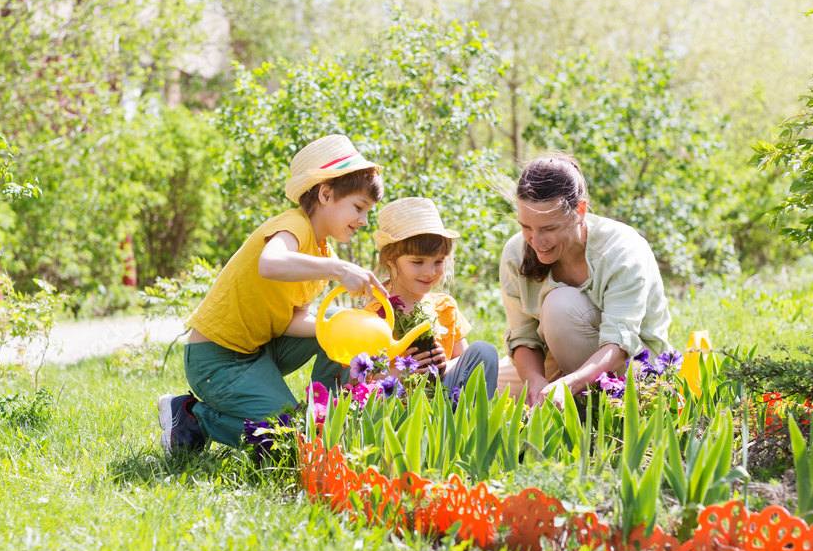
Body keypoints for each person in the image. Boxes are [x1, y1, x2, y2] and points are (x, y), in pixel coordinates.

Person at [157, 134, 387, 454]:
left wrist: (348, 327)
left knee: (339, 323)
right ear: (325, 194)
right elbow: (271, 263)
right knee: (290, 438)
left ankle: (323, 415)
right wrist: (338, 269)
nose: (363, 220)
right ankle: (194, 416)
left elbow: (293, 319)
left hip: (256, 353)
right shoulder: (293, 225)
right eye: (359, 208)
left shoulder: (323, 251)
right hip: (215, 361)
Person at [498, 153, 672, 408]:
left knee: (560, 306)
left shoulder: (621, 249)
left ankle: (588, 409)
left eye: (549, 228)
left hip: (630, 366)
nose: (536, 241)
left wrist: (570, 384)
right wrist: (534, 382)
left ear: (579, 211)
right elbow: (524, 337)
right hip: (555, 362)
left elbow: (619, 346)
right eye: (527, 227)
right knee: (479, 383)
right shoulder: (516, 253)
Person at [364, 197, 499, 399]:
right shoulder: (378, 314)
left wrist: (445, 364)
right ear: (391, 259)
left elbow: (464, 360)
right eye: (417, 262)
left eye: (438, 261)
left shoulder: (444, 308)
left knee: (484, 352)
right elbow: (361, 380)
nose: (430, 272)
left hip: (443, 395)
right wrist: (401, 374)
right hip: (398, 401)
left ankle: (472, 424)